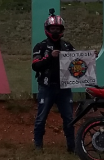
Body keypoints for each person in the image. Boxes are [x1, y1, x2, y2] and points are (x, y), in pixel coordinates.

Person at [31, 9, 76, 152]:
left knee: (69, 118)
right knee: (41, 117)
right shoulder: (41, 46)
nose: (55, 31)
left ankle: (72, 147)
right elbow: (35, 65)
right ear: (47, 29)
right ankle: (38, 145)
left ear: (62, 29)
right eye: (53, 28)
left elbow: (78, 61)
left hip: (65, 88)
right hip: (46, 87)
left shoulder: (68, 46)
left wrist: (90, 57)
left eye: (58, 28)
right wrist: (50, 57)